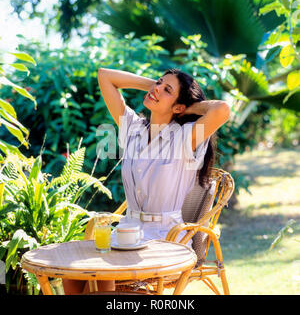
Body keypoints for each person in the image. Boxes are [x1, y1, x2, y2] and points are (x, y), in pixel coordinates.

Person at [63, 67, 230, 294]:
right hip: (127, 232)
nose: (157, 88)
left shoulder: (185, 138)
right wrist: (157, 87)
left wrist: (186, 106)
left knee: (103, 281)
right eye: (158, 83)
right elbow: (105, 76)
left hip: (166, 239)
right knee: (72, 278)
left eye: (167, 89)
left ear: (180, 107)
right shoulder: (133, 129)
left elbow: (222, 109)